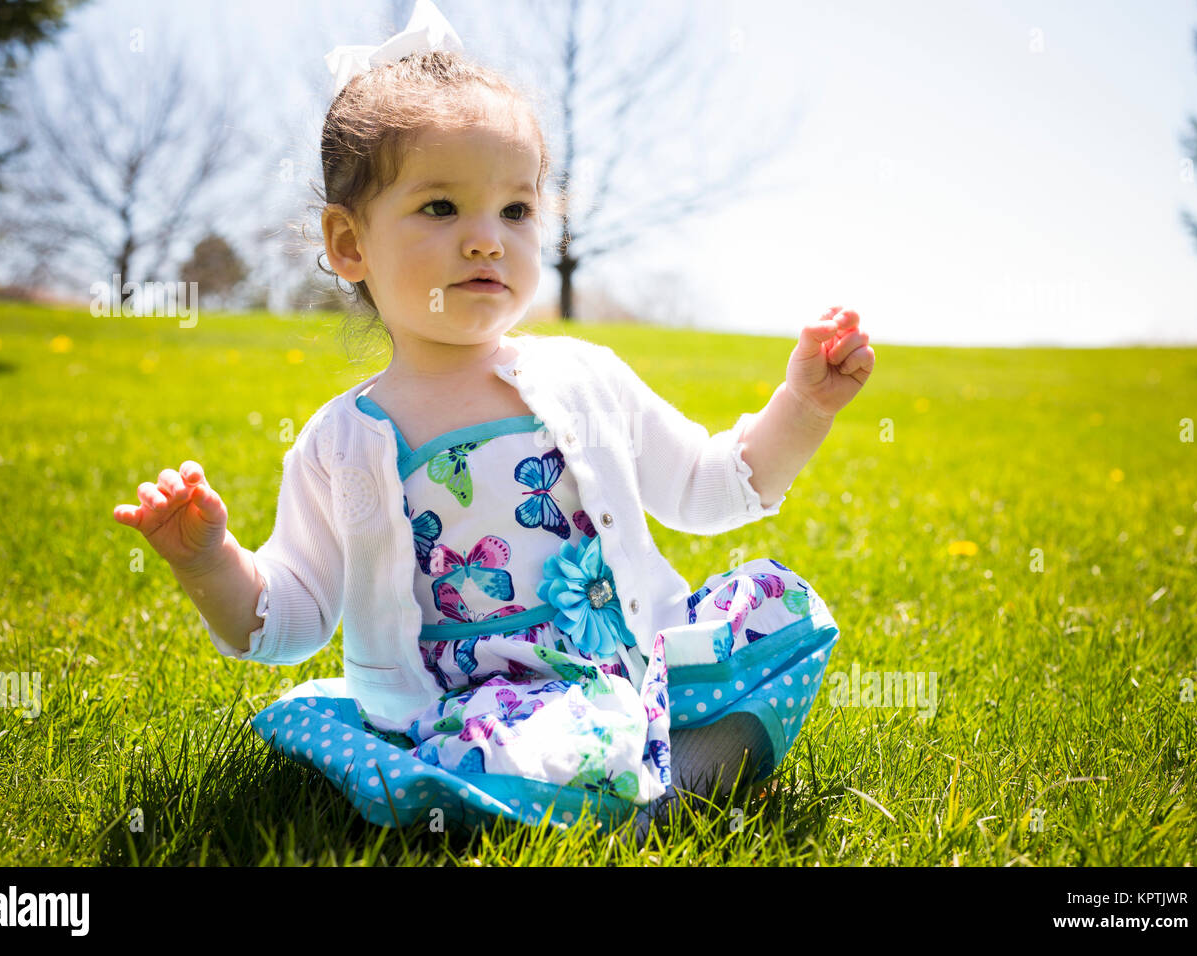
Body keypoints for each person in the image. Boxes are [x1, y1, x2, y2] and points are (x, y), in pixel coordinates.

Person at [112, 0, 875, 843]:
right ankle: (639, 788)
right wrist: (209, 562)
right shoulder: (341, 444)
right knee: (515, 753)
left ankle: (663, 776)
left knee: (784, 616)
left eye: (515, 211)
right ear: (348, 243)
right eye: (441, 208)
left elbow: (714, 488)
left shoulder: (584, 376)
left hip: (636, 660)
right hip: (483, 710)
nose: (486, 240)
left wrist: (801, 406)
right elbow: (288, 619)